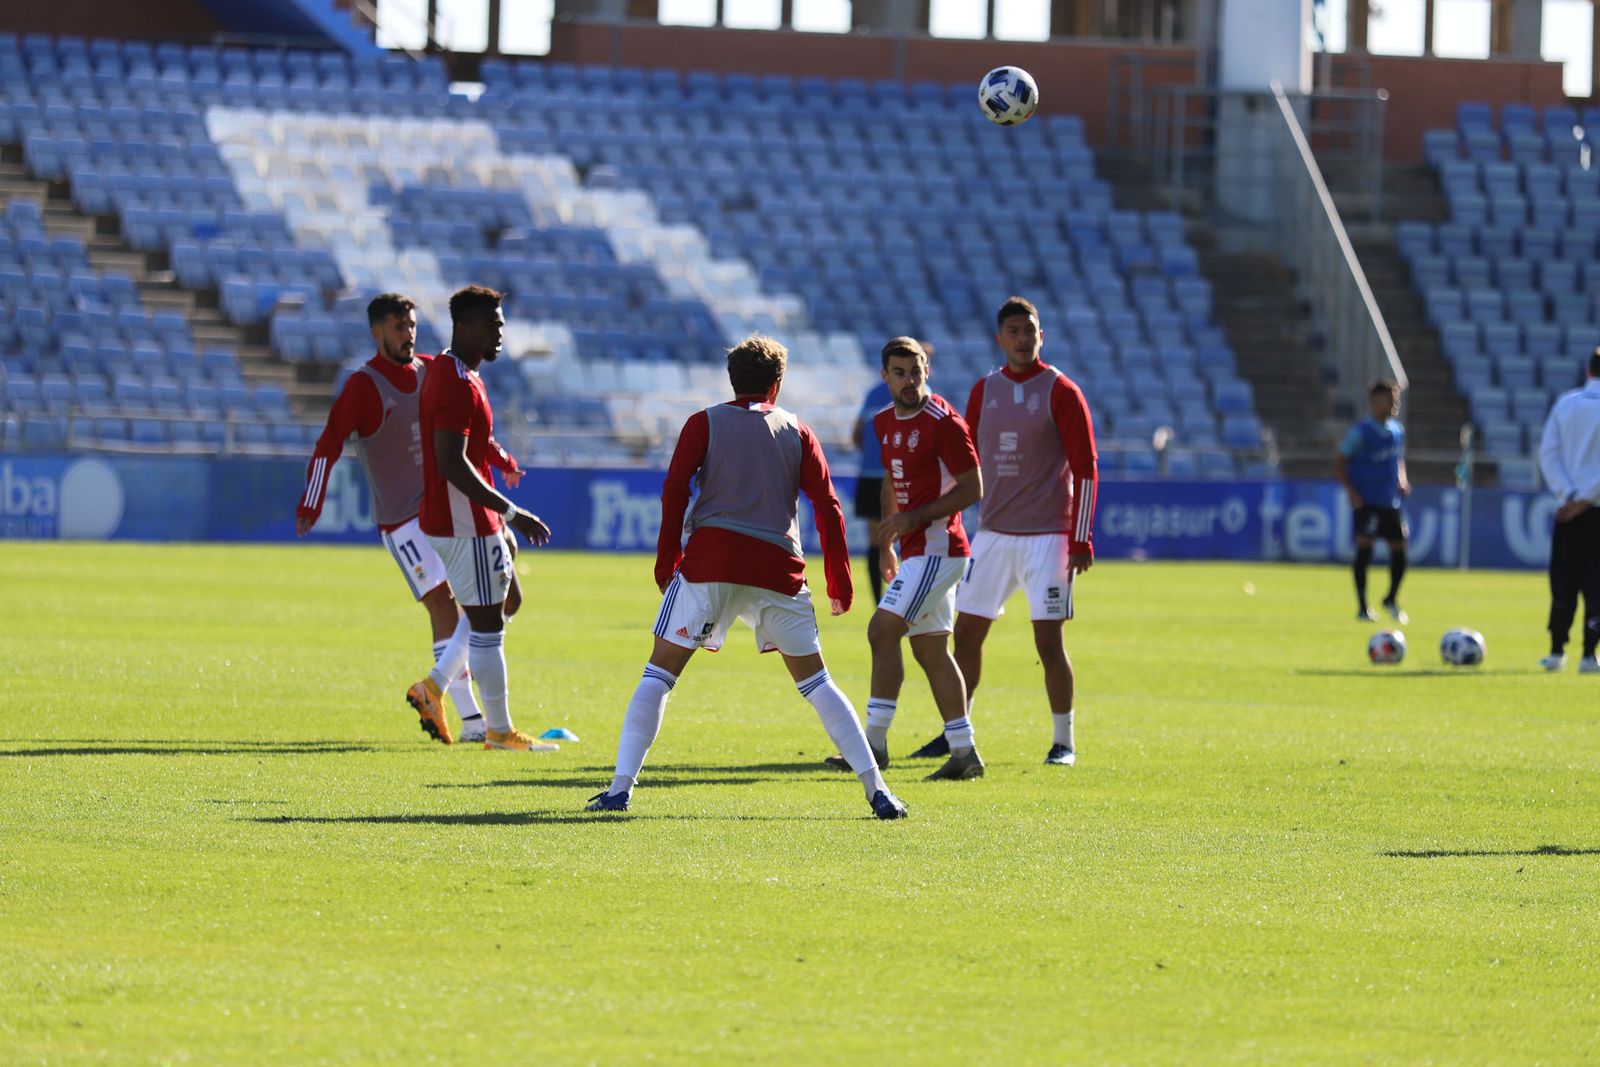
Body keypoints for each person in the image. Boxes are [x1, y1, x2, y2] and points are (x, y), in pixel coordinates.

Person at [584, 334, 908, 819]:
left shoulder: (703, 422)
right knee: (819, 684)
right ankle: (878, 790)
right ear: (778, 383)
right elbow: (828, 506)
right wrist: (840, 578)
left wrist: (665, 557)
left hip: (711, 562)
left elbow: (674, 489)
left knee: (658, 675)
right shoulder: (798, 430)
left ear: (731, 379)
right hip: (777, 567)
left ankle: (619, 789)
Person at [297, 292, 523, 745]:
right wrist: (311, 502)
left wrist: (500, 458)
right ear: (377, 332)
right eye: (399, 327)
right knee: (445, 604)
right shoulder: (364, 385)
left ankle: (441, 692)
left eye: (412, 326)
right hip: (402, 521)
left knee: (498, 601)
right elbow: (329, 441)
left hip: (445, 508)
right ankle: (473, 720)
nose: (408, 334)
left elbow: (467, 428)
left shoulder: (430, 369)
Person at [907, 296, 1097, 767]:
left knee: (1048, 642)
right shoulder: (983, 390)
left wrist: (1080, 537)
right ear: (1000, 338)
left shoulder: (1061, 390)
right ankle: (956, 731)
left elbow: (1086, 468)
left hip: (1048, 536)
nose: (1021, 338)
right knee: (965, 636)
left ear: (1040, 336)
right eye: (1013, 331)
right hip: (992, 534)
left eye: (1029, 330)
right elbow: (961, 461)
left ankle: (1063, 741)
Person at [824, 338, 984, 780]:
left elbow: (973, 488)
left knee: (881, 630)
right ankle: (964, 751)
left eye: (916, 372)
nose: (909, 381)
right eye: (900, 373)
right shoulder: (883, 422)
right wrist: (887, 542)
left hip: (939, 548)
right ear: (885, 377)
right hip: (915, 549)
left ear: (926, 370)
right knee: (931, 649)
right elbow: (890, 481)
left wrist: (912, 518)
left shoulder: (945, 422)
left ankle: (873, 744)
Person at [405, 285, 555, 750]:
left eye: (502, 323)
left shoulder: (463, 373)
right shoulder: (451, 380)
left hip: (471, 520)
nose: (501, 332)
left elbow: (469, 439)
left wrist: (500, 457)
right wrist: (513, 511)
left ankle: (433, 686)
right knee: (489, 624)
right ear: (465, 327)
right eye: (493, 324)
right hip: (463, 522)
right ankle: (497, 730)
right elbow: (451, 461)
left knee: (506, 603)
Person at [1536, 349, 1600, 673]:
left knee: (1563, 579)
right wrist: (1588, 498)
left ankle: (1556, 651)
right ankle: (1590, 655)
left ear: (1589, 371)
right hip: (1596, 510)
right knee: (1596, 583)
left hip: (1567, 511)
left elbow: (1548, 455)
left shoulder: (1567, 404)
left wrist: (1570, 495)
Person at [1335, 380, 1411, 624]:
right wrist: (1351, 491)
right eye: (1391, 399)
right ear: (1376, 402)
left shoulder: (1397, 430)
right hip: (1367, 502)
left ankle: (1390, 598)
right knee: (1364, 550)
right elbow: (1340, 463)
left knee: (1400, 551)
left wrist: (1402, 480)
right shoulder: (1361, 432)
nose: (1395, 404)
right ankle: (1362, 606)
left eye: (1396, 399)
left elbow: (1398, 460)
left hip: (1391, 502)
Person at [852, 375, 893, 605]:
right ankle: (898, 599)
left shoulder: (871, 394)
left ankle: (878, 601)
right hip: (897, 475)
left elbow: (856, 435)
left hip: (869, 473)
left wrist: (872, 454)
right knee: (905, 539)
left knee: (876, 541)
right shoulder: (918, 390)